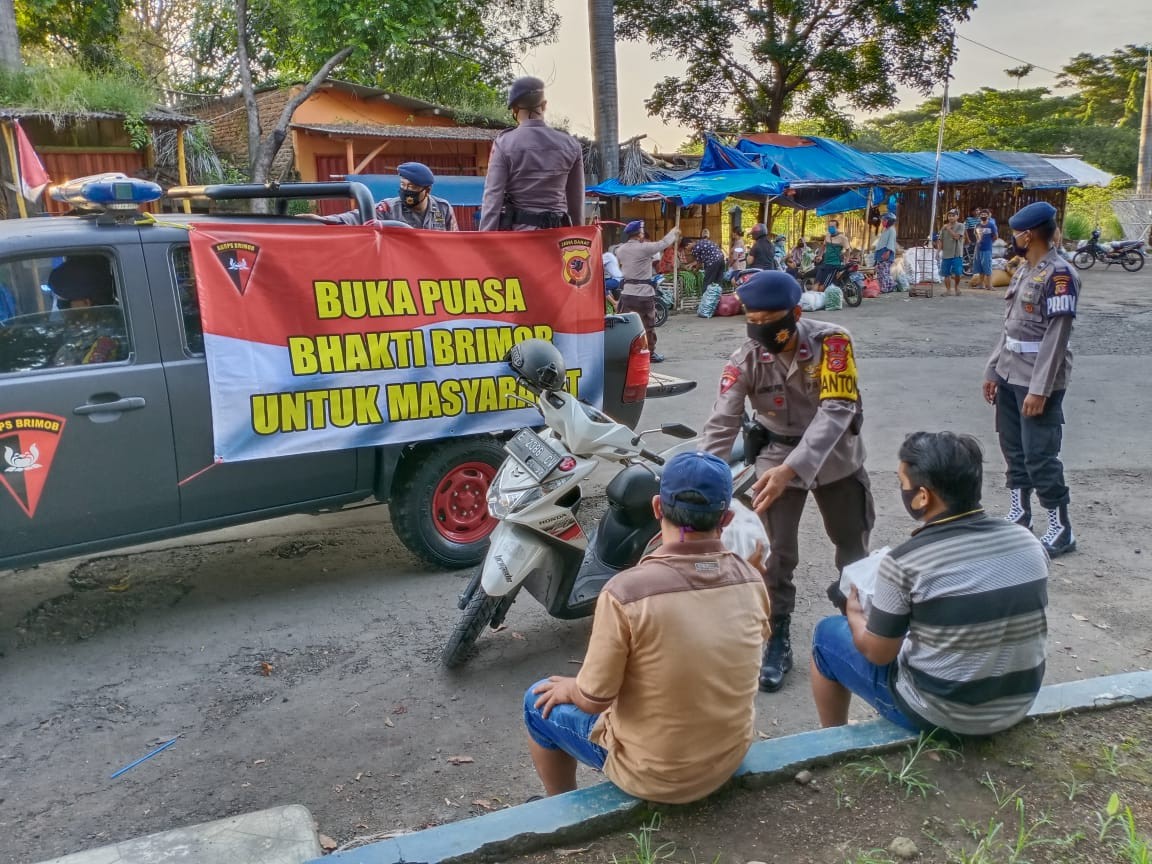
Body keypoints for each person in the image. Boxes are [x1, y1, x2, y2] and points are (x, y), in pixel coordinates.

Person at [523, 451, 771, 802]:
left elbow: (593, 699)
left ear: (657, 508)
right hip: (727, 759)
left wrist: (570, 688)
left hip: (655, 776)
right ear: (726, 518)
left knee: (537, 700)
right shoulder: (751, 579)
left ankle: (560, 806)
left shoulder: (625, 592)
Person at [810, 431, 1049, 736]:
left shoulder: (906, 561)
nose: (902, 491)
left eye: (902, 484)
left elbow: (878, 653)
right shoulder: (1027, 541)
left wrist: (854, 614)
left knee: (825, 636)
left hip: (942, 714)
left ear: (923, 496)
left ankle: (831, 740)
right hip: (1017, 704)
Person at [702, 270, 872, 692]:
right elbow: (721, 426)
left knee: (852, 545)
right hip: (775, 453)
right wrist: (704, 485)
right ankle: (776, 636)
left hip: (835, 456)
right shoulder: (744, 358)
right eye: (751, 317)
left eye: (770, 318)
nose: (759, 326)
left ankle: (858, 623)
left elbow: (837, 410)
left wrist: (791, 470)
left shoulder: (833, 342)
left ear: (796, 313)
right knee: (774, 555)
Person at [983, 201, 1079, 557]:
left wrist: (1039, 390)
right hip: (1010, 372)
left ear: (1029, 234)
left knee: (1040, 454)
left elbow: (1056, 338)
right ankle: (1020, 513)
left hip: (1038, 378)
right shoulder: (1025, 270)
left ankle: (1060, 527)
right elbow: (1010, 327)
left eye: (1017, 232)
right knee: (1014, 448)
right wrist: (993, 369)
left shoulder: (1060, 275)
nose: (1013, 238)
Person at [479, 76, 584, 231]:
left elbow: (492, 199)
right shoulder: (570, 145)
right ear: (544, 105)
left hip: (519, 241)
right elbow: (576, 202)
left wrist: (483, 244)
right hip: (559, 240)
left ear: (514, 109)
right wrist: (578, 237)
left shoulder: (504, 144)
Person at [320, 162, 459, 230]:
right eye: (403, 185)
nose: (406, 190)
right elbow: (356, 216)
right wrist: (324, 220)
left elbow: (453, 244)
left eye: (412, 187)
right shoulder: (390, 208)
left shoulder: (443, 209)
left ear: (427, 190)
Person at [615, 220, 679, 363]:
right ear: (640, 234)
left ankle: (625, 352)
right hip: (643, 294)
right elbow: (663, 243)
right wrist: (673, 232)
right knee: (648, 325)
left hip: (627, 293)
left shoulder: (620, 250)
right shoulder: (644, 248)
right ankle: (650, 353)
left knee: (625, 324)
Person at [46, 256, 126, 367]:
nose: (60, 309)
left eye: (64, 303)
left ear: (86, 303)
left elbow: (81, 381)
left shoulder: (105, 341)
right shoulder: (84, 328)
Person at [937, 209, 966, 296]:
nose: (951, 217)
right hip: (946, 253)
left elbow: (957, 237)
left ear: (957, 216)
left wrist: (949, 229)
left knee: (957, 272)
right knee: (946, 273)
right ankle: (948, 290)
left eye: (953, 215)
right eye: (949, 216)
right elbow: (940, 240)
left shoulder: (961, 226)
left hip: (957, 253)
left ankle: (956, 287)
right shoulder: (944, 227)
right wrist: (938, 251)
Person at [815, 220, 851, 286]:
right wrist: (820, 255)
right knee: (818, 283)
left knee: (824, 286)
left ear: (837, 227)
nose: (830, 228)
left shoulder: (843, 238)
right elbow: (823, 246)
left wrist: (846, 261)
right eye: (829, 226)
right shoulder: (827, 235)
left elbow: (848, 250)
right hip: (825, 263)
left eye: (832, 226)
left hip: (835, 264)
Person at [970, 209, 998, 290]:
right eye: (981, 214)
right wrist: (979, 241)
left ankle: (989, 285)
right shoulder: (977, 225)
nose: (983, 216)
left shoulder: (991, 225)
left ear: (988, 215)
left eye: (985, 214)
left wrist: (989, 242)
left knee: (987, 266)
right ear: (979, 216)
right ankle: (981, 285)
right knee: (980, 267)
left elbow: (996, 236)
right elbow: (976, 235)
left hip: (987, 249)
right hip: (978, 249)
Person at [873, 213, 898, 292]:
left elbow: (890, 242)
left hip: (886, 253)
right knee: (880, 272)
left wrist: (887, 252)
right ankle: (888, 286)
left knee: (884, 273)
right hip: (881, 254)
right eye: (882, 220)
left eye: (884, 220)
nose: (882, 222)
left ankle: (886, 288)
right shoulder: (885, 230)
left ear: (889, 221)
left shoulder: (892, 230)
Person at [602, 245, 623, 312]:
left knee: (601, 287)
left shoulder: (607, 255)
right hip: (617, 278)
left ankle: (614, 303)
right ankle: (614, 306)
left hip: (617, 279)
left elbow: (596, 264)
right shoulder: (609, 256)